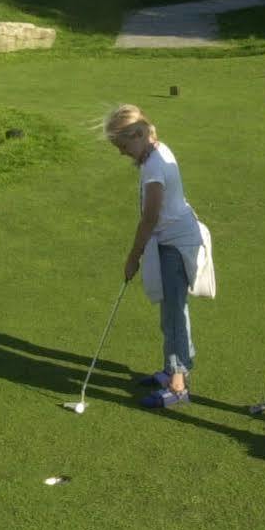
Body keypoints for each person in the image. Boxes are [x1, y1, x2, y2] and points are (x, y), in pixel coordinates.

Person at [105, 105, 213, 409]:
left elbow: (149, 218)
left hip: (177, 245)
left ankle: (178, 384)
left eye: (124, 146)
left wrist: (133, 257)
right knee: (170, 311)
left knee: (175, 313)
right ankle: (170, 369)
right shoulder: (155, 148)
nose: (123, 153)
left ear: (139, 135)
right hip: (171, 239)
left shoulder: (154, 168)